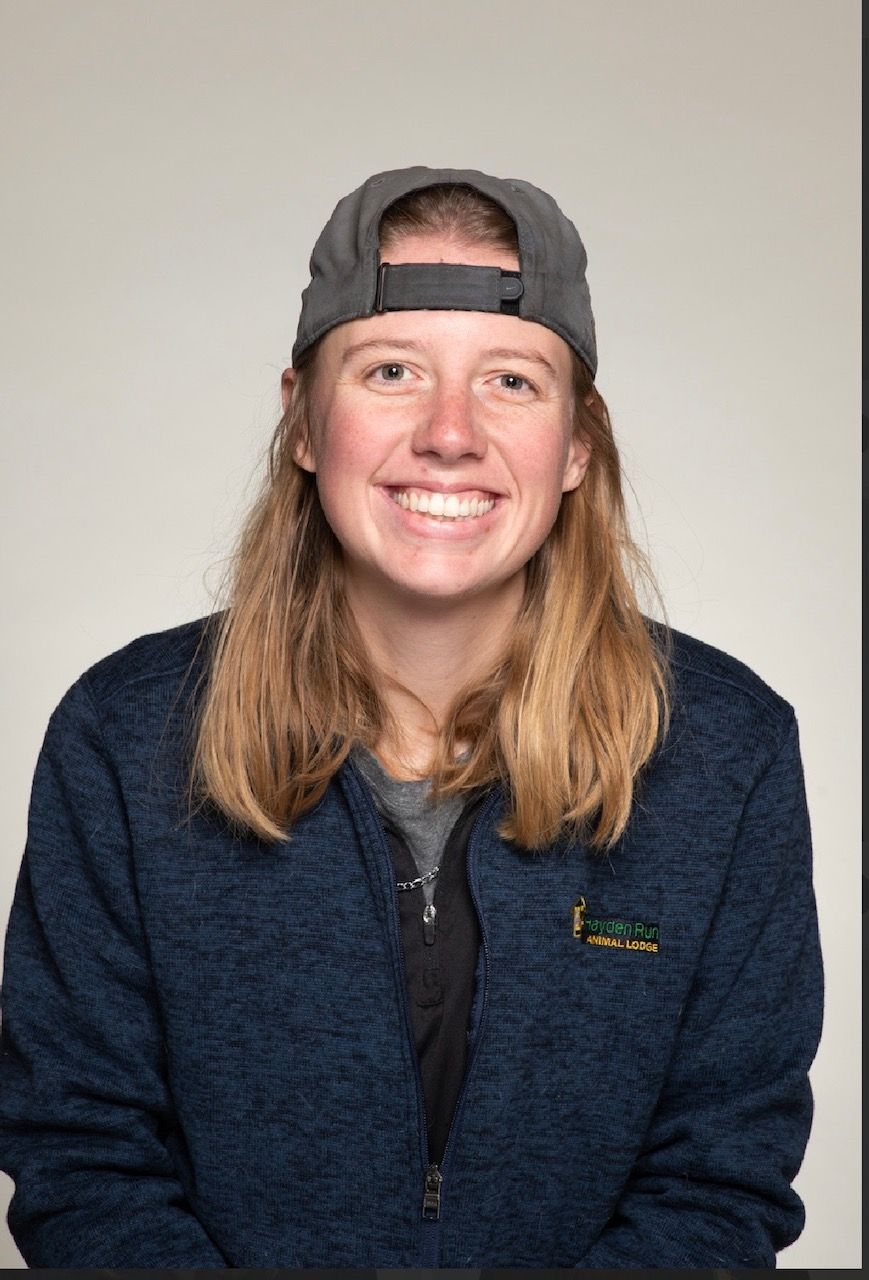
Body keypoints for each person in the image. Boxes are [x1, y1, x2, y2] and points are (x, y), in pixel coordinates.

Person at [0, 166, 823, 1269]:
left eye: (510, 382)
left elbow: (717, 1178)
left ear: (576, 443)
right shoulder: (122, 736)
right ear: (301, 420)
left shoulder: (727, 752)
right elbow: (81, 1159)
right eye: (390, 370)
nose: (448, 433)